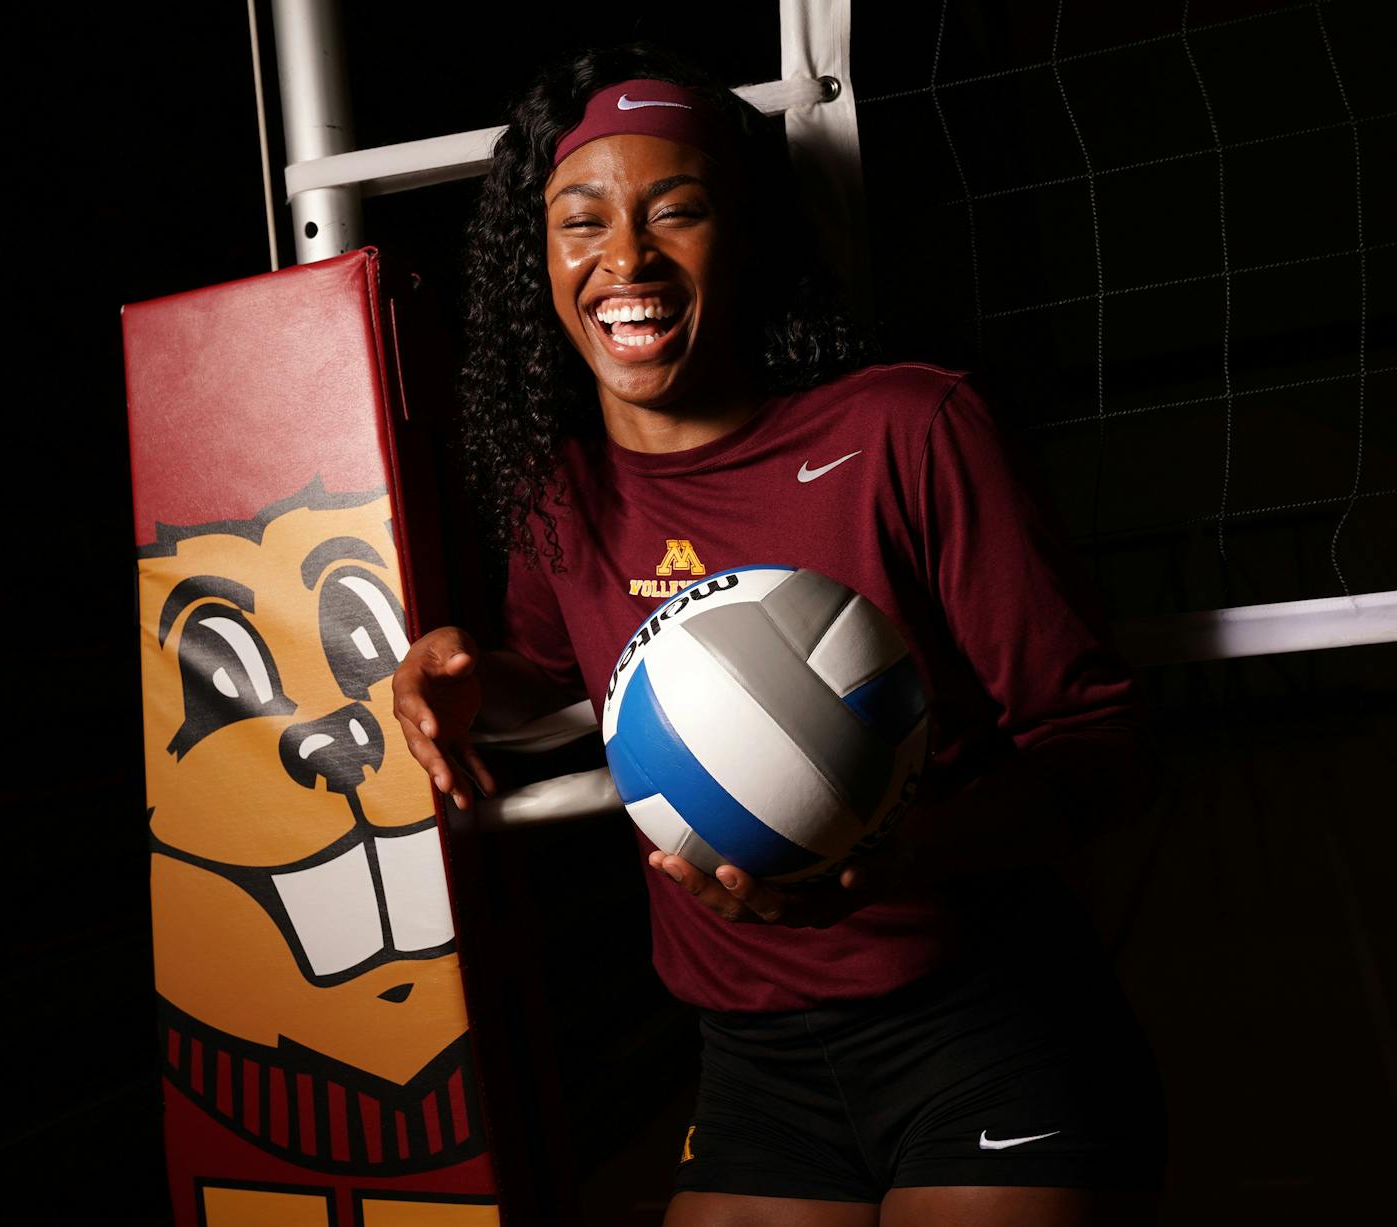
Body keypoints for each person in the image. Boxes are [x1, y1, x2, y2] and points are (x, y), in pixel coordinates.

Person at [392, 43, 1166, 1227]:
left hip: (979, 1018)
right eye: (580, 221)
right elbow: (551, 674)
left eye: (678, 211)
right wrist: (456, 679)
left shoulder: (909, 428)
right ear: (536, 263)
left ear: (742, 238)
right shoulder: (561, 498)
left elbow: (1096, 745)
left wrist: (888, 863)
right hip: (752, 1064)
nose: (626, 261)